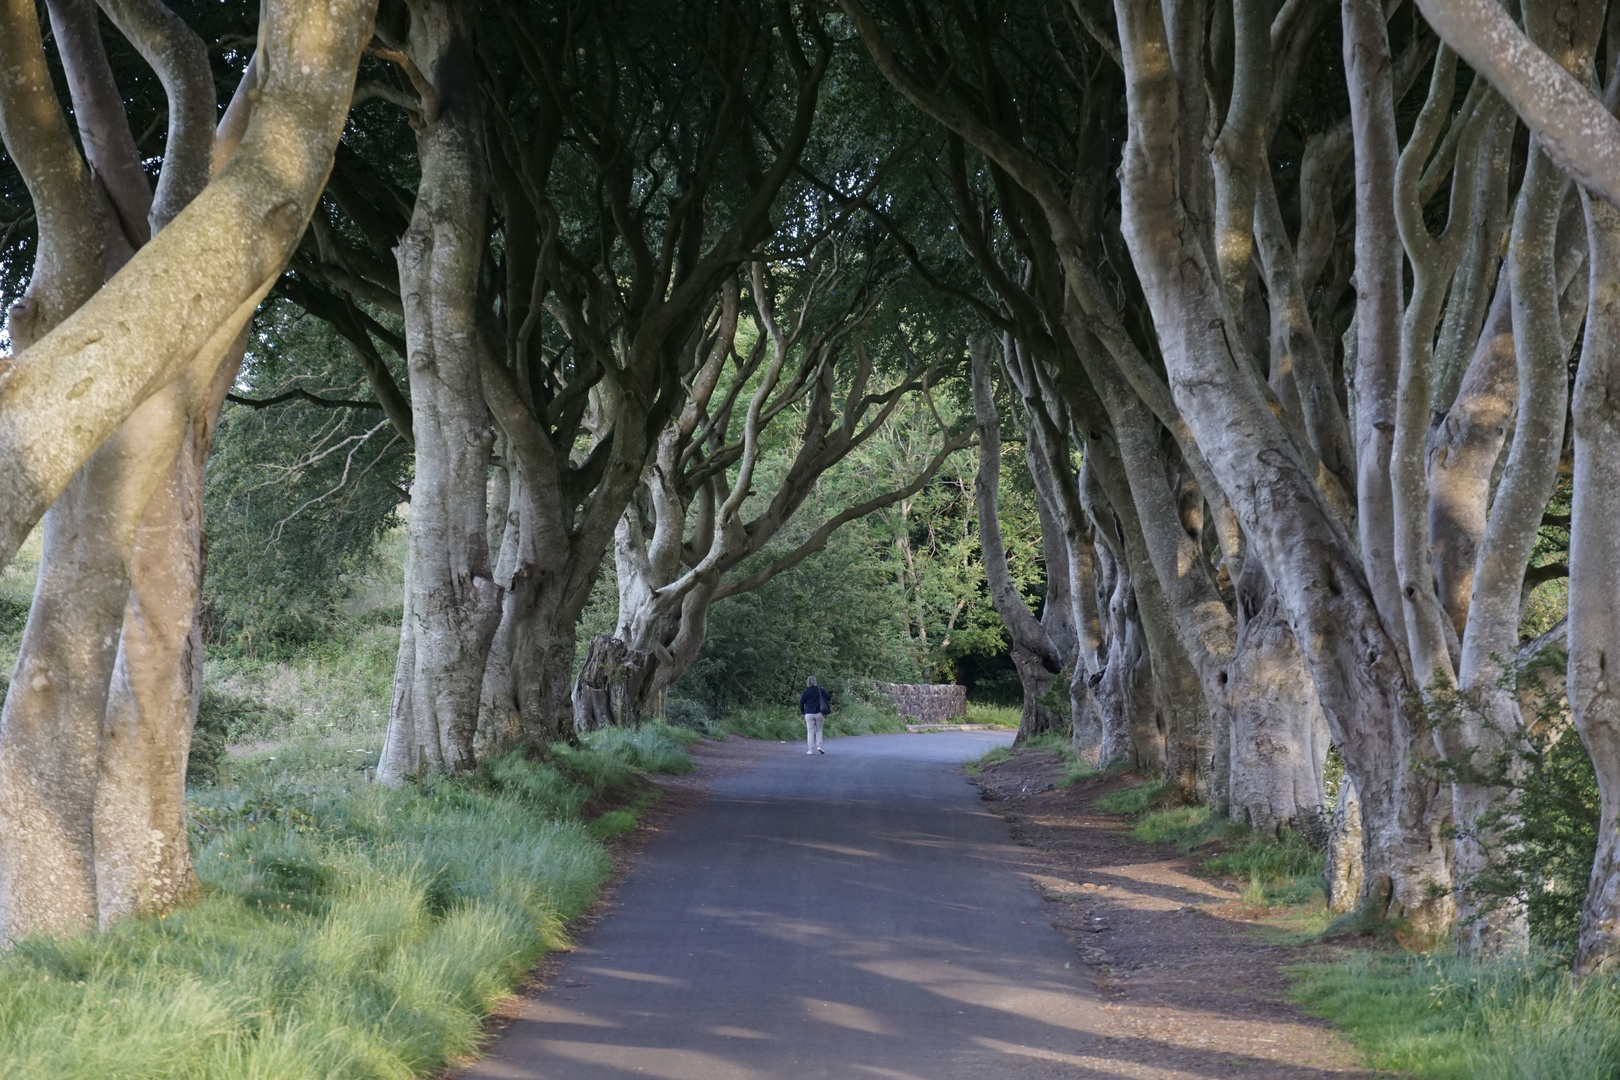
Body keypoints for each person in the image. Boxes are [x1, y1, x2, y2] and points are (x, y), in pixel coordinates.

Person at [799, 676, 831, 755]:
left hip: (808, 713)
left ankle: (810, 750)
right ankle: (819, 746)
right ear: (815, 682)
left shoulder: (805, 691)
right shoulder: (819, 690)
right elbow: (828, 697)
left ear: (807, 683)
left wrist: (803, 712)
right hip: (819, 713)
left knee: (810, 731)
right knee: (818, 730)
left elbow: (801, 703)